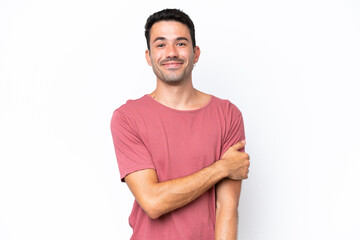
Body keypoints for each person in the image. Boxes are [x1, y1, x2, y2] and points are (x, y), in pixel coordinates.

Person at [111, 8, 250, 240]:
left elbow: (226, 208)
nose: (171, 52)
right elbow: (153, 202)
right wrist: (221, 168)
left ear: (196, 53)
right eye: (161, 44)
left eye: (181, 43)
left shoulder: (227, 115)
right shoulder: (128, 117)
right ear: (149, 56)